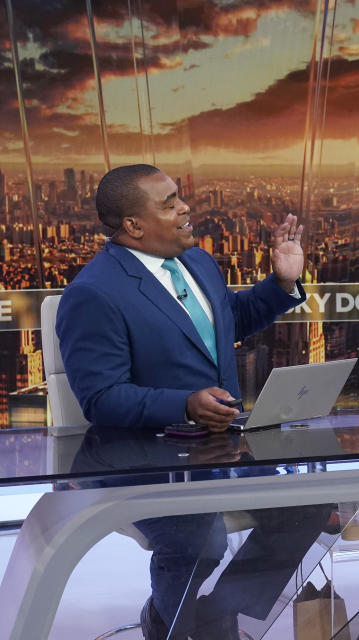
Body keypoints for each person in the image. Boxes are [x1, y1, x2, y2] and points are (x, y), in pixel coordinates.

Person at [55, 164, 329, 639]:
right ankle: (173, 624)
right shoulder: (94, 293)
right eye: (169, 204)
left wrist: (281, 284)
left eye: (179, 197)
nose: (185, 208)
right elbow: (100, 398)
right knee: (201, 539)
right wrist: (184, 404)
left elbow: (229, 322)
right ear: (133, 226)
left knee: (308, 505)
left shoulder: (198, 261)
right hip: (146, 458)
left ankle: (214, 614)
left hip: (223, 446)